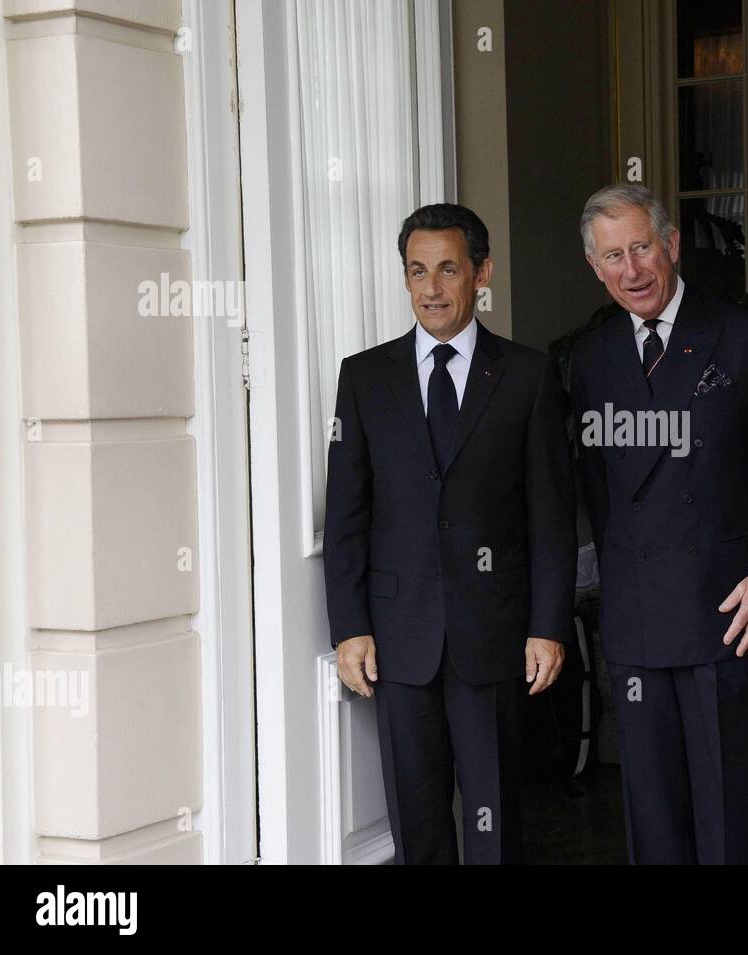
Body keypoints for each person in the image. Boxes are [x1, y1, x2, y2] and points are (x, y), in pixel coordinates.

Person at [323, 203, 576, 864]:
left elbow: (550, 514)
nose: (431, 288)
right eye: (416, 271)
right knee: (417, 820)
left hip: (493, 636)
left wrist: (547, 624)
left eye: (447, 269)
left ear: (481, 273)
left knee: (495, 821)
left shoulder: (527, 375)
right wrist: (348, 626)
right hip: (398, 640)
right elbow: (347, 515)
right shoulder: (365, 377)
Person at [569, 184, 748, 864]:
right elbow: (601, 490)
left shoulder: (745, 336)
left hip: (729, 615)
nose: (631, 269)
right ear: (594, 266)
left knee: (729, 825)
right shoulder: (590, 359)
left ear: (671, 245)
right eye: (613, 255)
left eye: (642, 247)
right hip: (639, 620)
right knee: (656, 824)